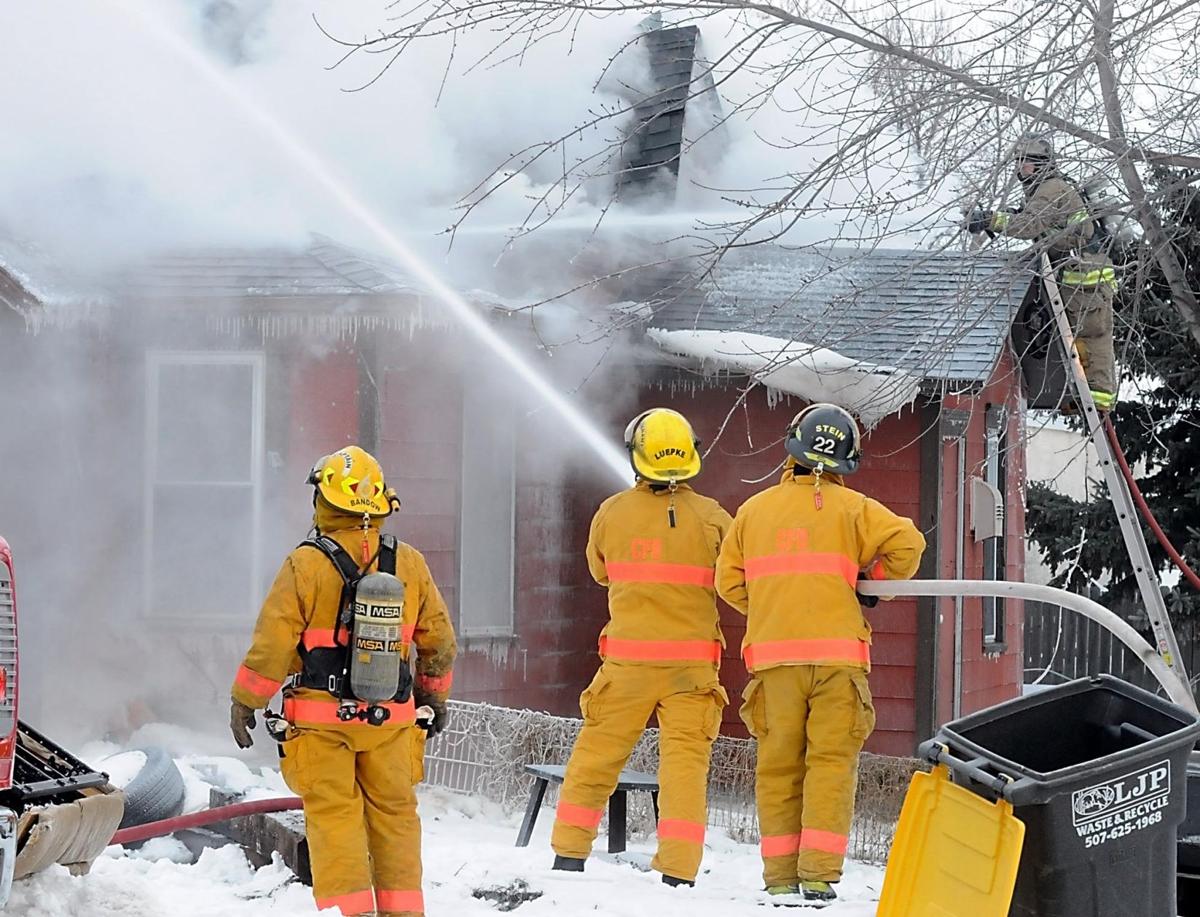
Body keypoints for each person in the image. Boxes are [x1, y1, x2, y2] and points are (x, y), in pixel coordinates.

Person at [229, 446, 457, 917]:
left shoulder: (305, 564)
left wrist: (245, 700)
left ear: (325, 501)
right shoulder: (409, 563)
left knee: (335, 819)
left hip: (322, 724)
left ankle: (349, 912)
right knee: (395, 817)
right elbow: (439, 640)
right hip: (391, 721)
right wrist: (433, 698)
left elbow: (273, 642)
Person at [716, 404, 925, 905]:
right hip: (838, 662)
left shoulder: (754, 511)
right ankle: (818, 877)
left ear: (793, 447)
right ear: (846, 458)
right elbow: (908, 545)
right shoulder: (855, 510)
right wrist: (870, 584)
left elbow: (728, 582)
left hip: (774, 664)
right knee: (830, 767)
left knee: (777, 769)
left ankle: (779, 878)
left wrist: (772, 607)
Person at [550, 408, 732, 887]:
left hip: (627, 665)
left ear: (636, 456)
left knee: (595, 758)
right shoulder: (714, 518)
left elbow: (600, 571)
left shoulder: (611, 513)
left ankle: (568, 855)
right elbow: (736, 578)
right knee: (684, 769)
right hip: (692, 669)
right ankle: (678, 872)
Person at [967, 135, 1118, 411]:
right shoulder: (1044, 189)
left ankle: (1098, 400)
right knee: (1078, 336)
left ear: (1041, 164)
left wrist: (991, 219)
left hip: (1083, 277)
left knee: (1090, 336)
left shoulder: (1051, 188)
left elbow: (1030, 225)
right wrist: (1006, 216)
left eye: (1025, 163)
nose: (1020, 169)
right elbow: (1037, 218)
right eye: (1018, 163)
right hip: (1079, 275)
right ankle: (1086, 396)